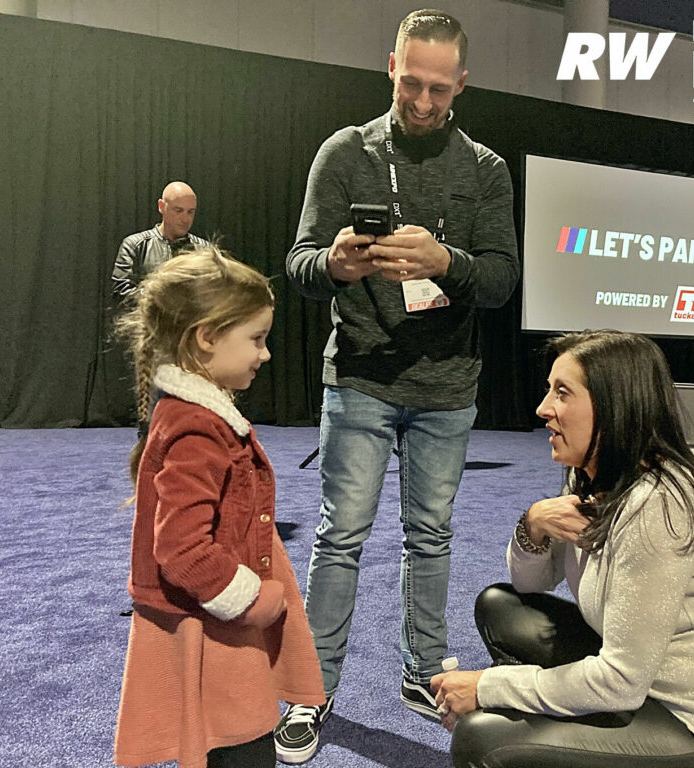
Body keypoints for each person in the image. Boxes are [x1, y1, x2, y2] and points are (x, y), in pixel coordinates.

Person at [277, 7, 519, 763]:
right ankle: (309, 692)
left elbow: (503, 281)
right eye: (411, 82)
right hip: (360, 377)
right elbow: (299, 263)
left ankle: (423, 674)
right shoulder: (344, 153)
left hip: (447, 387)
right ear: (391, 67)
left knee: (431, 538)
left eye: (439, 88)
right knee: (340, 537)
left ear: (462, 84)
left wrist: (444, 261)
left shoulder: (485, 169)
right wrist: (337, 266)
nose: (422, 100)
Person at [431, 330, 694, 768]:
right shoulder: (597, 476)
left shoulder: (659, 505)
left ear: (614, 406)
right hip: (644, 689)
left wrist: (488, 687)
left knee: (485, 740)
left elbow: (620, 682)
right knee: (501, 606)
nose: (543, 408)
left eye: (562, 393)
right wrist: (533, 522)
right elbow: (530, 583)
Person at [113, 247, 324, 768]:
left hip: (213, 614)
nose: (266, 354)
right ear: (206, 337)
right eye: (256, 339)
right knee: (242, 745)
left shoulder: (193, 411)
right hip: (214, 619)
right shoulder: (198, 426)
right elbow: (182, 548)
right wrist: (252, 600)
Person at [112, 181, 209, 300]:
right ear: (162, 206)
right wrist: (163, 297)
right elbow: (121, 293)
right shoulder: (136, 245)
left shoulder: (205, 251)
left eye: (190, 212)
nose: (185, 219)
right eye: (178, 210)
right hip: (149, 317)